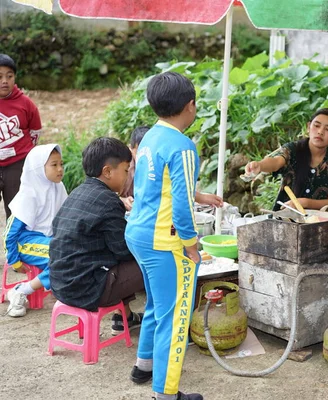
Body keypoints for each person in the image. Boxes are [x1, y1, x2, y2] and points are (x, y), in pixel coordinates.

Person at [124, 72, 205, 400]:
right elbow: (184, 205)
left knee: (158, 303)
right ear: (189, 106)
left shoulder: (149, 139)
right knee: (176, 316)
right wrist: (192, 245)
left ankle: (143, 366)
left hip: (138, 234)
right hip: (165, 241)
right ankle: (166, 394)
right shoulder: (182, 146)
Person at [49, 137, 145, 335]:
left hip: (60, 282)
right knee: (154, 261)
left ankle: (124, 318)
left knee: (111, 260)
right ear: (108, 171)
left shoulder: (78, 192)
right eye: (126, 170)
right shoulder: (109, 201)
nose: (128, 176)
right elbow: (124, 250)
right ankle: (160, 320)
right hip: (86, 288)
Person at [3, 144, 67, 317]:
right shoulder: (29, 194)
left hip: (48, 241)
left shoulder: (58, 187)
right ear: (38, 168)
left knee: (73, 252)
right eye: (54, 165)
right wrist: (14, 261)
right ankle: (20, 291)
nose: (60, 169)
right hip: (25, 242)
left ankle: (55, 287)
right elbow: (9, 233)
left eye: (61, 163)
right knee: (63, 256)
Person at [244, 108, 328, 210]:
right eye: (316, 126)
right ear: (308, 127)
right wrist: (259, 165)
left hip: (318, 220)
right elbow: (276, 162)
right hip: (285, 216)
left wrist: (305, 202)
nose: (320, 132)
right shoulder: (293, 149)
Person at [120, 125, 222, 212]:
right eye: (139, 152)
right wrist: (123, 200)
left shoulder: (161, 162)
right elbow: (107, 193)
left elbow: (176, 188)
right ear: (130, 149)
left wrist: (202, 198)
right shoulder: (125, 167)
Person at [0, 54, 43, 221]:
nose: (4, 81)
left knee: (17, 210)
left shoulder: (26, 104)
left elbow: (35, 132)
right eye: (0, 77)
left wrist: (22, 155)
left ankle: (14, 245)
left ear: (15, 77)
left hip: (17, 165)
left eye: (9, 76)